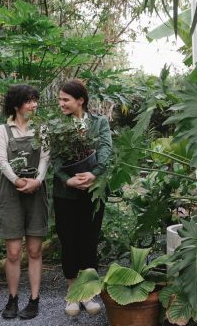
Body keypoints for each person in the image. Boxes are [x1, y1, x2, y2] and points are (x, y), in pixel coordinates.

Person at [52, 79, 113, 317]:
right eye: (59, 99)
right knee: (69, 240)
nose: (61, 104)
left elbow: (106, 149)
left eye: (65, 99)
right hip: (65, 193)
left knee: (89, 239)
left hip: (93, 191)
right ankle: (71, 294)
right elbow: (54, 158)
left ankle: (87, 294)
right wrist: (67, 179)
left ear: (81, 101)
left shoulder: (100, 123)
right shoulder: (57, 125)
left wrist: (94, 174)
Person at [0, 84, 49, 320]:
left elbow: (46, 157)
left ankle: (34, 299)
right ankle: (13, 299)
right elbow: (1, 161)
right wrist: (18, 180)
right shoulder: (2, 130)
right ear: (17, 105)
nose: (34, 105)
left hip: (36, 191)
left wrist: (37, 181)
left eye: (35, 100)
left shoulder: (42, 129)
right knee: (14, 252)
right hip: (11, 192)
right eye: (29, 101)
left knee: (35, 250)